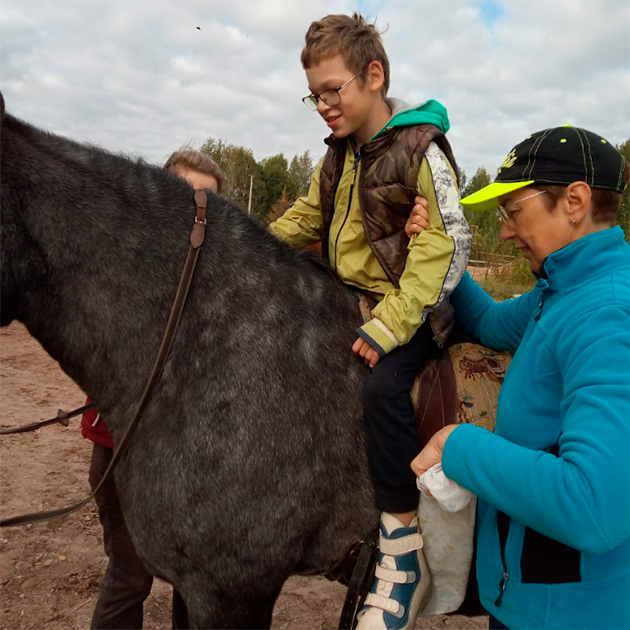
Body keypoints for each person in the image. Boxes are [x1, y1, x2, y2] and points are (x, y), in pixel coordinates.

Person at [267, 13, 471, 630]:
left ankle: (401, 543)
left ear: (373, 75)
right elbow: (308, 218)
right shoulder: (336, 158)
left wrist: (388, 327)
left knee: (383, 389)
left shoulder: (420, 150)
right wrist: (239, 246)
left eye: (334, 91)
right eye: (315, 95)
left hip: (408, 311)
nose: (324, 105)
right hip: (344, 298)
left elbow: (441, 249)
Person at [407, 126, 629, 630]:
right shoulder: (562, 290)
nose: (505, 230)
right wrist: (442, 247)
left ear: (575, 201)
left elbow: (595, 506)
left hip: (574, 615)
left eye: (513, 211)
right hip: (535, 601)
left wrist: (457, 446)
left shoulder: (609, 315)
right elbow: (488, 323)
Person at [82, 148, 223, 630]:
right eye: (187, 196)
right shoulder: (122, 265)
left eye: (208, 203)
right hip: (126, 457)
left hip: (195, 462)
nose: (197, 211)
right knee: (130, 579)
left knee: (196, 579)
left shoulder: (215, 277)